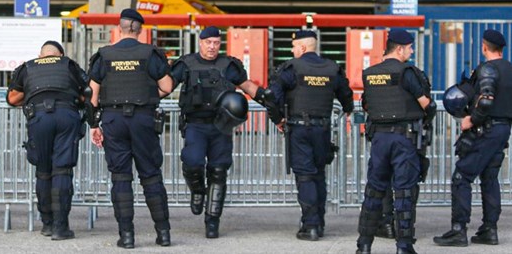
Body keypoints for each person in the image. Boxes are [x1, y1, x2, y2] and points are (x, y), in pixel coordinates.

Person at [169, 26, 276, 238]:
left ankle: (212, 221)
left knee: (218, 172)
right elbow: (166, 86)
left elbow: (246, 86)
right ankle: (198, 191)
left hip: (221, 126)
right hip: (195, 124)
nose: (212, 47)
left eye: (216, 43)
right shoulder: (186, 64)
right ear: (200, 42)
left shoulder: (229, 65)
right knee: (192, 162)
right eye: (208, 42)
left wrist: (267, 99)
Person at [87, 8, 174, 249]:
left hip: (113, 119)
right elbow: (167, 86)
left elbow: (91, 97)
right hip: (144, 119)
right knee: (151, 175)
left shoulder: (104, 55)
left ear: (119, 28)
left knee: (121, 177)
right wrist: (147, 95)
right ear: (140, 29)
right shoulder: (150, 54)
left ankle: (127, 236)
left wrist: (94, 125)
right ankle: (163, 233)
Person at [434, 29, 512, 247]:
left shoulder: (487, 69)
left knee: (462, 177)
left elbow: (486, 101)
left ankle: (458, 230)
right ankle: (489, 230)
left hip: (486, 130)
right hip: (502, 130)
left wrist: (471, 119)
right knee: (489, 178)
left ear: (484, 46)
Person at [268, 30, 354, 241]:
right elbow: (347, 97)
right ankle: (320, 222)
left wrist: (278, 119)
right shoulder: (332, 68)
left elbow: (271, 97)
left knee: (305, 176)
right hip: (323, 129)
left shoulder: (291, 68)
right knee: (318, 175)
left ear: (303, 48)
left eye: (294, 46)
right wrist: (347, 109)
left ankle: (311, 225)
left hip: (299, 129)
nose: (292, 50)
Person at [355, 29, 435, 254]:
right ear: (399, 49)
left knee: (374, 192)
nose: (411, 51)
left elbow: (367, 105)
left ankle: (364, 245)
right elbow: (426, 105)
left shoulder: (370, 73)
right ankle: (404, 247)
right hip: (404, 139)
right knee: (404, 193)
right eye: (410, 47)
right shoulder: (408, 72)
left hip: (380, 139)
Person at [6, 40, 88, 240]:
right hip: (66, 116)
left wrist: (35, 96)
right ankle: (61, 228)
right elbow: (87, 93)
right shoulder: (69, 65)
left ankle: (47, 224)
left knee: (43, 171)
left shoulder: (28, 67)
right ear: (59, 55)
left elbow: (12, 99)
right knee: (62, 170)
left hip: (39, 118)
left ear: (41, 55)